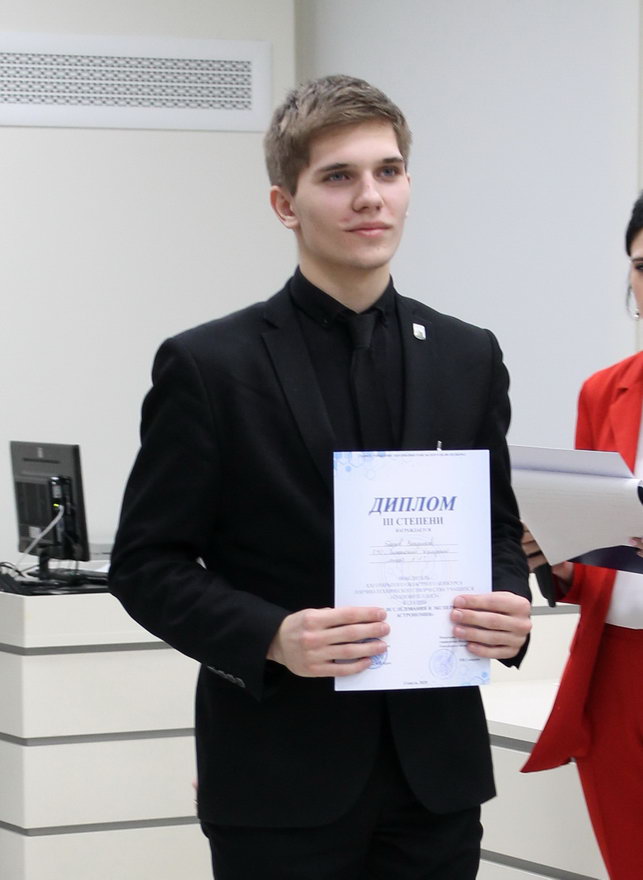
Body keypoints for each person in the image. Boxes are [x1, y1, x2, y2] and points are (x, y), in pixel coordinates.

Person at [109, 74, 531, 880]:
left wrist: (508, 606)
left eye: (387, 171)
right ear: (285, 204)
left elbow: (495, 528)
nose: (370, 197)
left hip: (435, 776)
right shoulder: (209, 366)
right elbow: (145, 564)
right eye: (338, 176)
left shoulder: (468, 355)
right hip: (278, 775)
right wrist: (271, 636)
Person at [521, 193, 643, 879]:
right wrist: (558, 559)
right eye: (642, 266)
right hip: (616, 669)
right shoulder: (604, 391)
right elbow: (596, 545)